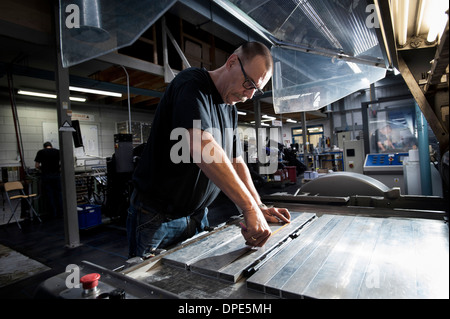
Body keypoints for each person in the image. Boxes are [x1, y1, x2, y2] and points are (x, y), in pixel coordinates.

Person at [127, 42, 291, 258]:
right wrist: (248, 209)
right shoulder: (192, 85)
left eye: (256, 89)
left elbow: (236, 162)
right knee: (150, 289)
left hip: (197, 216)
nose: (250, 95)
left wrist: (259, 205)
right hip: (156, 218)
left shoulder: (230, 109)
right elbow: (201, 146)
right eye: (249, 83)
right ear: (232, 62)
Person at [34, 142, 63, 218]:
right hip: (56, 176)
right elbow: (62, 164)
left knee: (50, 195)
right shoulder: (58, 151)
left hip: (46, 176)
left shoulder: (40, 152)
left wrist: (42, 169)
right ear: (51, 146)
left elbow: (37, 165)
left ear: (44, 147)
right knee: (59, 194)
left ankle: (53, 214)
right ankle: (61, 213)